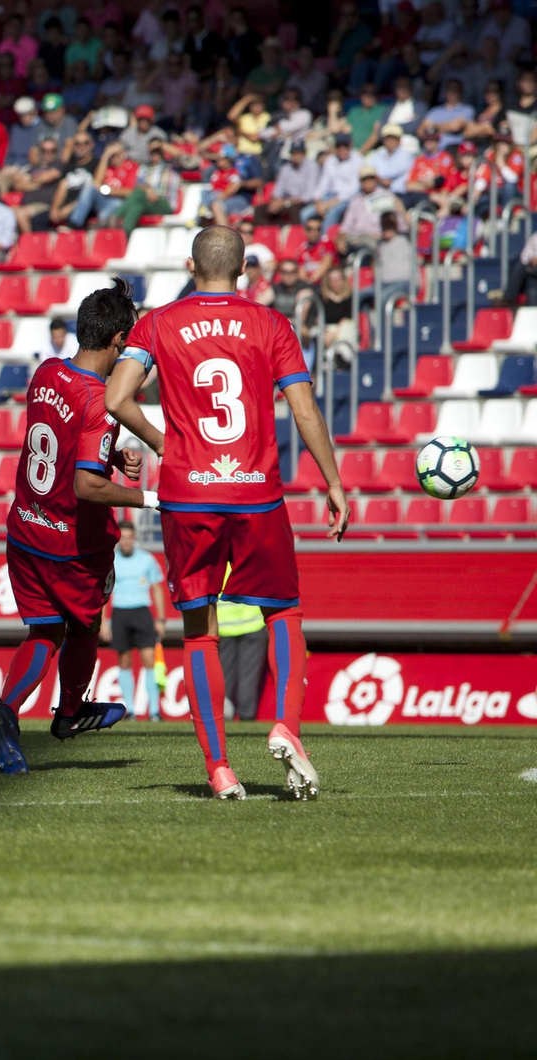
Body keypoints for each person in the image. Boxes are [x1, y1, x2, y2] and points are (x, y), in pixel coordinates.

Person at [105, 225, 350, 801]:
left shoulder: (157, 323)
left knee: (198, 632)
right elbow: (304, 408)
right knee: (283, 612)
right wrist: (333, 482)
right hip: (256, 492)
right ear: (243, 271)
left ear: (192, 265)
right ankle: (287, 725)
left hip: (188, 494)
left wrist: (163, 442)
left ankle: (218, 768)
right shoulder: (272, 324)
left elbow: (117, 399)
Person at [0, 280, 155, 775]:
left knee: (43, 629)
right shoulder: (102, 401)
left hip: (24, 529)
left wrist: (111, 454)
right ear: (121, 341)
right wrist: (150, 499)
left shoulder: (46, 373)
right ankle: (71, 712)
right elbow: (85, 487)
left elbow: (57, 437)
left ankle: (5, 709)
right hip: (71, 544)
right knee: (84, 625)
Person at [104, 521, 166, 721]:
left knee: (149, 660)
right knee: (124, 661)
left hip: (141, 612)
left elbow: (157, 588)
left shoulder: (146, 560)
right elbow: (105, 591)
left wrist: (161, 619)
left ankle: (154, 711)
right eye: (122, 537)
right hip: (120, 613)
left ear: (135, 538)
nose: (126, 541)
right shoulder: (111, 561)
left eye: (129, 537)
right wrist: (104, 622)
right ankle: (130, 709)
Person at [216, 572, 268, 721]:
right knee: (248, 677)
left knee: (224, 676)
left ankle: (225, 714)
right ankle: (246, 716)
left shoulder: (220, 560)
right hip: (253, 623)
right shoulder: (251, 557)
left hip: (224, 625)